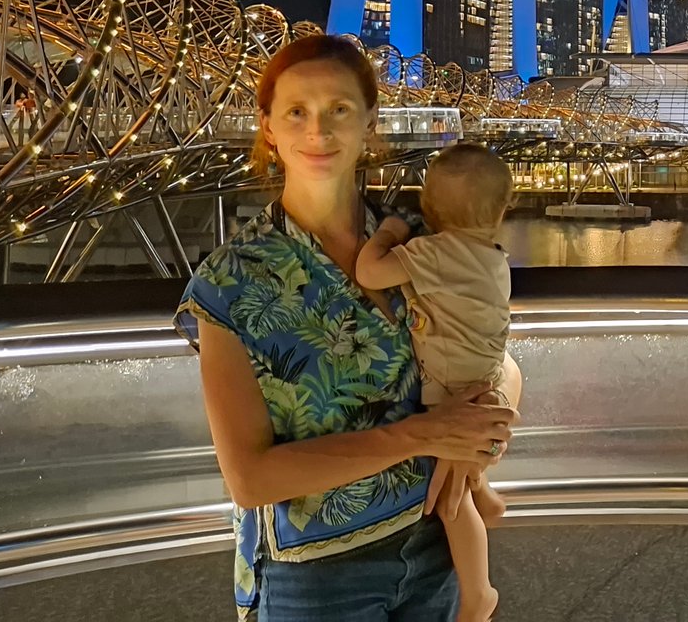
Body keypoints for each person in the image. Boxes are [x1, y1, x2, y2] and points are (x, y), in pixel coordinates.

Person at [175, 35, 518, 621]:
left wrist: (480, 428)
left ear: (369, 123)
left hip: (437, 547)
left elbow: (501, 360)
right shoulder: (232, 281)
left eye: (338, 109)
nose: (318, 130)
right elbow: (250, 478)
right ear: (268, 127)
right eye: (297, 111)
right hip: (316, 577)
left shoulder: (419, 237)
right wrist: (427, 435)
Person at [357, 143, 520, 622]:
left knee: (450, 503)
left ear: (429, 210)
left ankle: (478, 592)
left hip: (453, 390)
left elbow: (369, 272)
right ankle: (486, 494)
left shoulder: (437, 252)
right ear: (502, 210)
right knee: (462, 476)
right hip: (485, 375)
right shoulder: (492, 257)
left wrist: (389, 232)